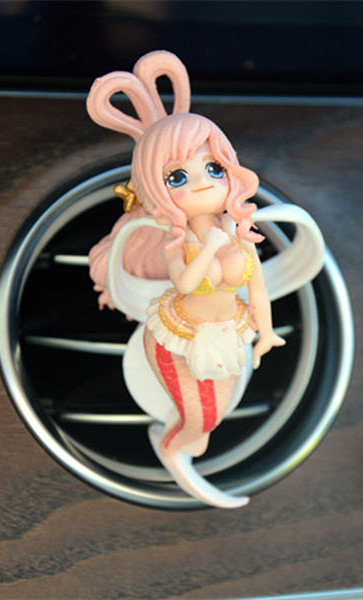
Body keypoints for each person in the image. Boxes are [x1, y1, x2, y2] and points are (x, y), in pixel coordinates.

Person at [87, 51, 284, 507]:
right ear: (156, 189)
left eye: (213, 168)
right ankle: (173, 449)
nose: (201, 183)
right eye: (177, 176)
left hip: (230, 333)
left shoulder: (241, 234)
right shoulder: (178, 243)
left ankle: (180, 445)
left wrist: (268, 332)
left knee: (216, 412)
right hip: (177, 336)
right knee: (198, 416)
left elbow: (257, 288)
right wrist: (210, 247)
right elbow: (187, 282)